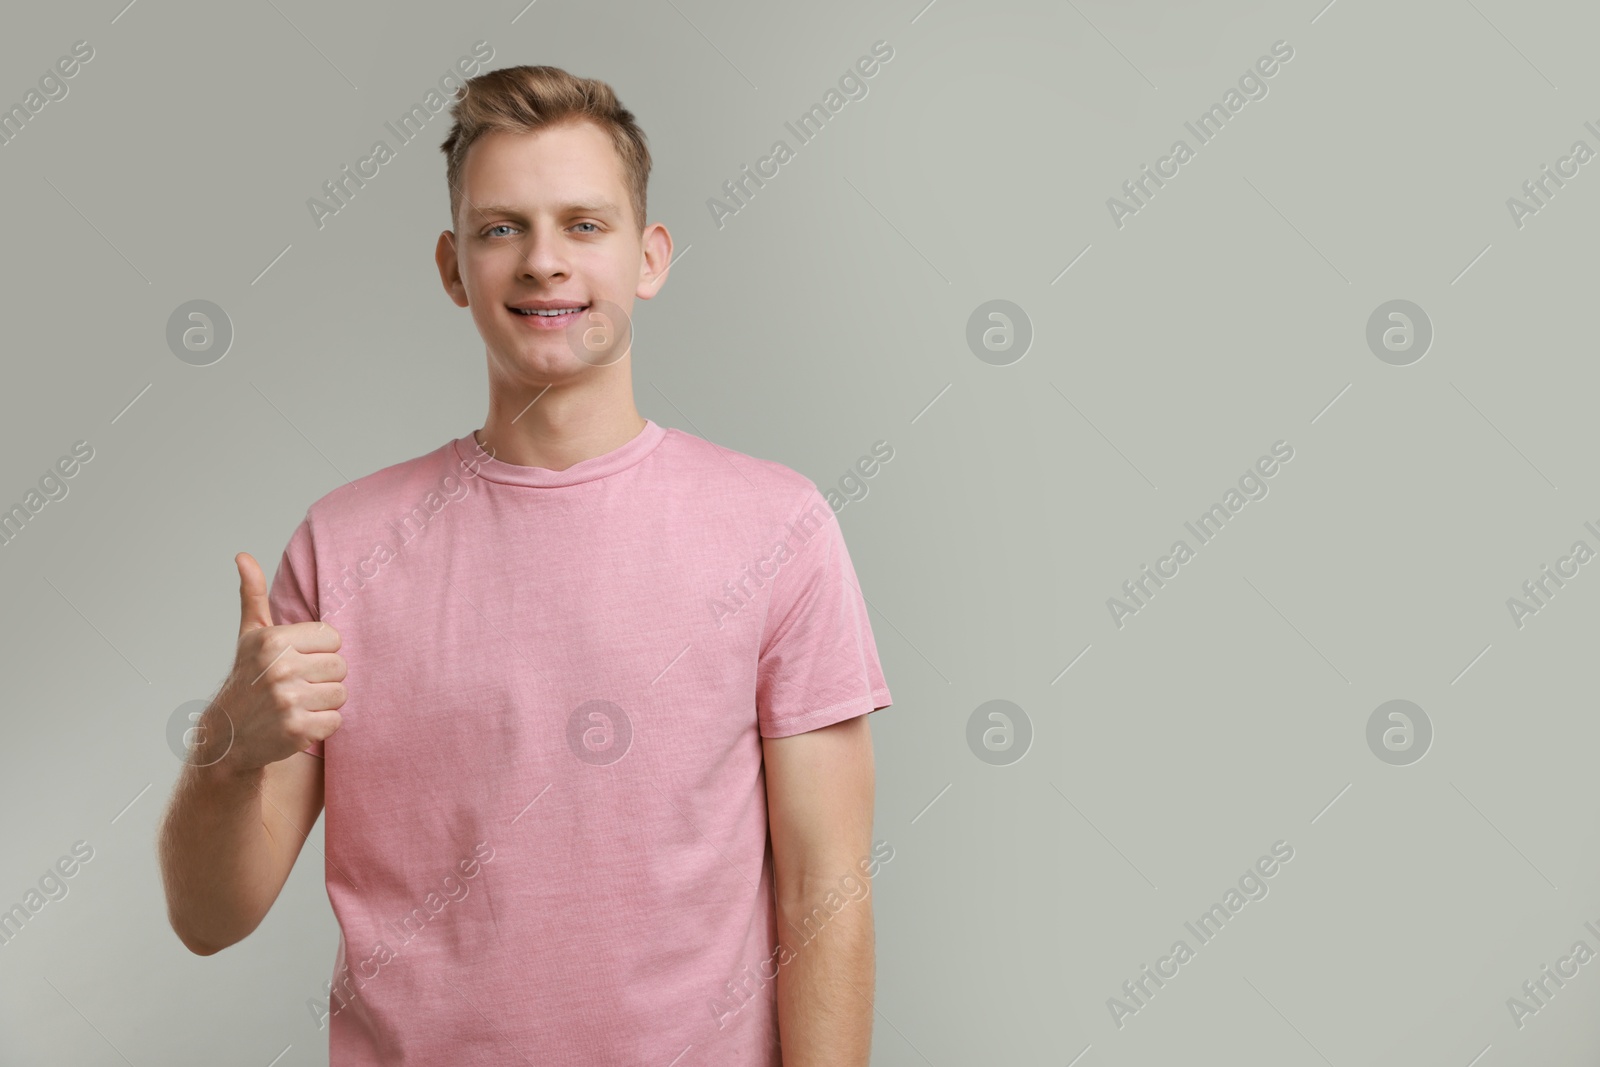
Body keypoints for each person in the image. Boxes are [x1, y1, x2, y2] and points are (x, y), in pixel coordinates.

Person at [155, 64, 893, 1065]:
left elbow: (825, 896)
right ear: (454, 267)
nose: (545, 261)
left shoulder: (779, 528)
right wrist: (224, 748)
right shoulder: (342, 546)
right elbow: (209, 916)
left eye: (584, 224)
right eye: (502, 228)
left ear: (650, 255)